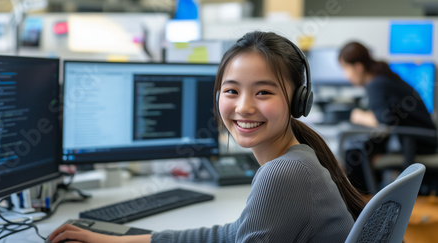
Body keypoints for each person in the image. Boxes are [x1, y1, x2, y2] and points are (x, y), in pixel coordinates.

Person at [48, 31, 365, 243]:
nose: (243, 107)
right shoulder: (296, 161)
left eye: (264, 92)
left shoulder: (285, 173)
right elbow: (231, 234)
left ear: (299, 101)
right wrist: (113, 240)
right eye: (231, 91)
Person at [338, 42, 437, 191]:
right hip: (423, 140)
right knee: (362, 150)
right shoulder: (383, 78)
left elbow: (383, 122)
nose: (346, 76)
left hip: (419, 143)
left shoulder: (376, 84)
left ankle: (361, 204)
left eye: (345, 69)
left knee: (355, 153)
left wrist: (357, 115)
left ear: (358, 67)